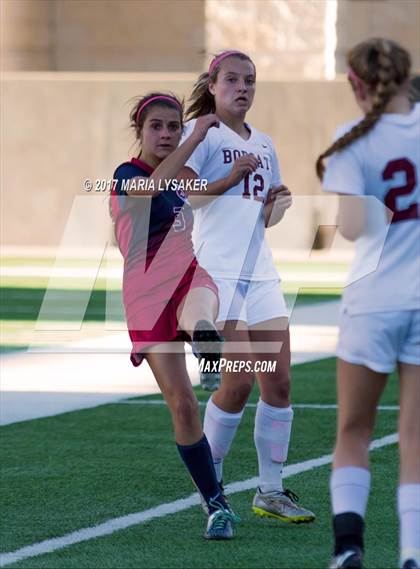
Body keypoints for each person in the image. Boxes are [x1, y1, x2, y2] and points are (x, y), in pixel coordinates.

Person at [178, 51, 315, 523]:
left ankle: (271, 491)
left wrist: (279, 203)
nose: (243, 88)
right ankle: (210, 488)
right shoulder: (201, 134)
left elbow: (263, 218)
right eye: (232, 79)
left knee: (278, 381)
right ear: (213, 84)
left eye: (250, 81)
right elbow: (188, 196)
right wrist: (228, 178)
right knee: (235, 383)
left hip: (261, 274)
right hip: (217, 274)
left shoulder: (266, 143)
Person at [110, 92, 240, 539]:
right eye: (157, 127)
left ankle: (204, 334)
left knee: (201, 304)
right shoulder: (127, 175)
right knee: (184, 405)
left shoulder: (180, 177)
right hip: (146, 292)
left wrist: (241, 183)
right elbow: (154, 186)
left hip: (185, 273)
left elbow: (200, 192)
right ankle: (216, 506)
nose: (166, 134)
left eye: (173, 127)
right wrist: (196, 133)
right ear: (140, 132)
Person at [317, 38, 420, 569]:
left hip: (375, 298)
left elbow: (355, 228)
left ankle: (349, 547)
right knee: (415, 434)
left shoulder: (353, 138)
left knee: (355, 430)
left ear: (357, 84)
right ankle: (412, 552)